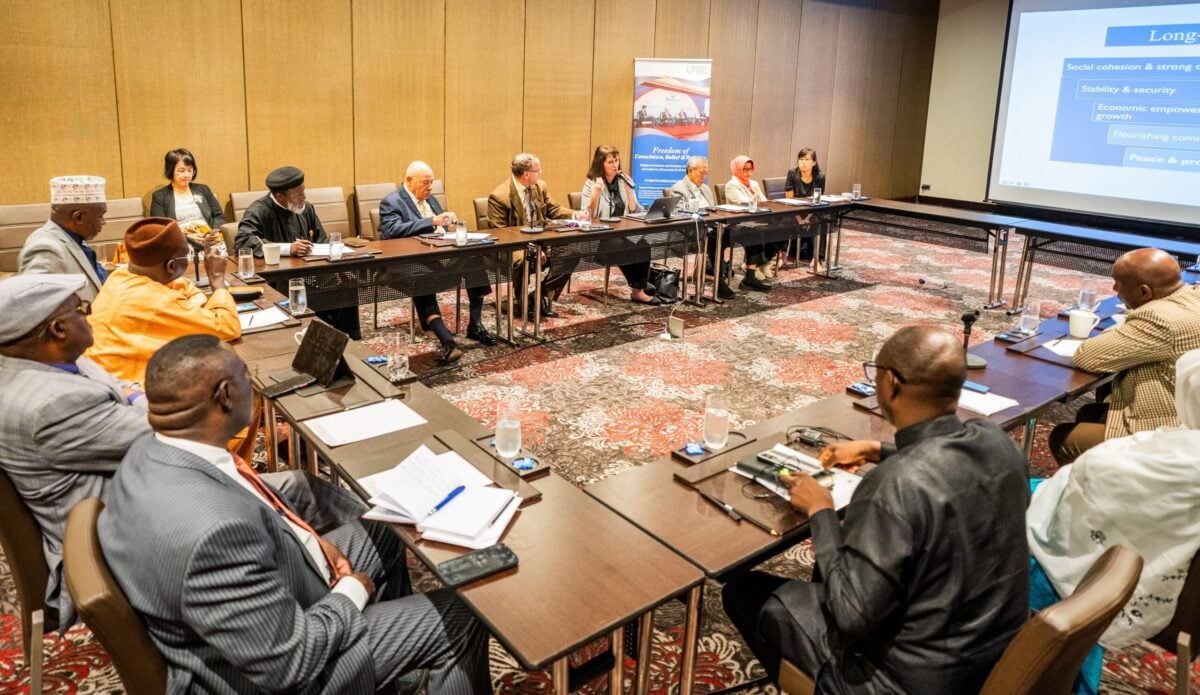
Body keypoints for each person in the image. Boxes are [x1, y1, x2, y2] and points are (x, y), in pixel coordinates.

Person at [99, 335, 491, 693]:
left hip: (262, 606)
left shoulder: (148, 452)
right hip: (279, 672)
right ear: (225, 396)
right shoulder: (214, 533)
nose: (253, 387)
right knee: (461, 616)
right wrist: (353, 591)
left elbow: (254, 513)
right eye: (246, 377)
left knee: (385, 527)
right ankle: (402, 655)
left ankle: (396, 675)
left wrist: (311, 539)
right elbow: (289, 662)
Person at [722, 326, 1030, 693]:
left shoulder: (894, 485)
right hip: (989, 656)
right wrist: (874, 449)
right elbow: (949, 461)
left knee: (745, 591)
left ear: (891, 383)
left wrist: (820, 510)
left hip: (904, 681)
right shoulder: (999, 443)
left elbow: (851, 615)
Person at [1027, 348, 1200, 694]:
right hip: (1150, 548)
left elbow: (1094, 477)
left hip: (1102, 562)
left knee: (999, 511)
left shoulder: (1183, 464)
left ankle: (1046, 667)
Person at [0, 274, 150, 628]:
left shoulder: (40, 360)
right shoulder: (51, 406)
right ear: (58, 330)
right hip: (110, 544)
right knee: (290, 495)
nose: (90, 316)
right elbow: (163, 435)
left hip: (117, 501)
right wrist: (141, 399)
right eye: (81, 310)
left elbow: (116, 386)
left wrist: (134, 396)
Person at [1049, 248, 1200, 464]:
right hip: (1187, 412)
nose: (1114, 288)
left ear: (1145, 292)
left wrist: (1130, 321)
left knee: (1063, 437)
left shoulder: (1159, 319)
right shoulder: (1193, 296)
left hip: (1169, 431)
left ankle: (1103, 492)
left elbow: (1088, 356)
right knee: (1090, 412)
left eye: (1118, 283)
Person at [86, 218, 240, 384]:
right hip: (127, 391)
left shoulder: (122, 274)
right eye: (186, 257)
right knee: (231, 379)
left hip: (98, 376)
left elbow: (183, 285)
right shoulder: (155, 299)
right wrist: (217, 281)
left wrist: (188, 307)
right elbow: (228, 327)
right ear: (171, 267)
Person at [379, 161, 496, 361]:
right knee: (422, 277)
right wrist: (432, 221)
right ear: (409, 180)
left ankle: (475, 325)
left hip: (439, 256)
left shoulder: (431, 200)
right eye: (426, 183)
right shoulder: (392, 201)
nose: (430, 188)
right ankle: (447, 341)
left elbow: (441, 229)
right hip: (406, 261)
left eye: (432, 182)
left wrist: (449, 225)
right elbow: (392, 231)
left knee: (474, 259)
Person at [233, 166, 361, 339]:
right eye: (298, 194)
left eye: (304, 191)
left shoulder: (306, 208)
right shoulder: (259, 210)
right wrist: (287, 248)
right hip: (278, 279)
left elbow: (320, 239)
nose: (304, 197)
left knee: (347, 285)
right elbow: (242, 241)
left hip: (311, 273)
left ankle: (348, 339)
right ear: (280, 196)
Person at [487, 153, 585, 318]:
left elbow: (553, 209)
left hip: (540, 240)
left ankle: (539, 295)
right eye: (538, 170)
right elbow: (501, 233)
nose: (540, 173)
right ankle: (523, 304)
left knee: (571, 253)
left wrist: (575, 215)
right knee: (525, 258)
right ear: (526, 174)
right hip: (513, 246)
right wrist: (531, 248)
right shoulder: (499, 197)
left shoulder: (539, 187)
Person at [580, 145, 658, 304]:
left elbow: (636, 212)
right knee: (622, 246)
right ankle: (639, 286)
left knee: (644, 244)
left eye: (616, 160)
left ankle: (638, 289)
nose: (615, 165)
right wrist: (595, 195)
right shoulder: (591, 183)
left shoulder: (622, 181)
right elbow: (586, 218)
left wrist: (630, 193)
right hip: (599, 238)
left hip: (622, 233)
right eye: (610, 162)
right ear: (600, 164)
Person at [18, 176, 109, 301]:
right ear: (78, 218)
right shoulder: (46, 248)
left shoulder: (73, 239)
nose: (104, 222)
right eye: (100, 216)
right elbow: (36, 306)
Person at [669, 156, 735, 300]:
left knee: (732, 233)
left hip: (711, 227)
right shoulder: (678, 189)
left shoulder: (705, 189)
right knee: (716, 239)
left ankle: (718, 269)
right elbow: (680, 214)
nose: (704, 177)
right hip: (691, 232)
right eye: (701, 173)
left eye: (706, 173)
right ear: (690, 171)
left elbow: (714, 209)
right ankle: (719, 280)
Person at [149, 148, 226, 254]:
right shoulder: (160, 196)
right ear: (171, 171)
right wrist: (188, 237)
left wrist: (213, 232)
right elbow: (160, 228)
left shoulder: (203, 189)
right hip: (180, 241)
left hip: (209, 238)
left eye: (190, 170)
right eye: (181, 171)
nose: (186, 175)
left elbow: (219, 216)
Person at [723, 156, 780, 292]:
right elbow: (743, 203)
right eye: (744, 169)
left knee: (782, 228)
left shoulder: (754, 184)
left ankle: (762, 262)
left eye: (750, 169)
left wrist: (760, 201)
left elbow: (764, 201)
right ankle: (750, 276)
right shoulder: (731, 185)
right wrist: (756, 200)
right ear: (737, 169)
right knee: (754, 231)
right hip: (739, 223)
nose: (748, 172)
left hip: (756, 219)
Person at [784, 147, 827, 264]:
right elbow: (789, 200)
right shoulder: (792, 173)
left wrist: (807, 218)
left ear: (814, 162)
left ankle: (817, 259)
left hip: (810, 212)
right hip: (794, 212)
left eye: (807, 159)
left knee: (820, 222)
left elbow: (817, 201)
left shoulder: (820, 177)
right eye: (801, 159)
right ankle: (782, 256)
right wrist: (799, 219)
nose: (803, 162)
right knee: (784, 221)